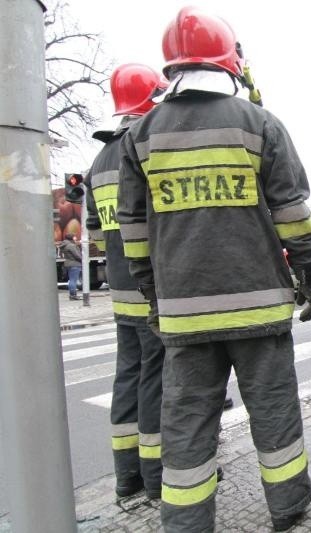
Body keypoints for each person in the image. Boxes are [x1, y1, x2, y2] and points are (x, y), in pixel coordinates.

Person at [116, 7, 311, 532]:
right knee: (274, 414)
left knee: (185, 428)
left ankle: (186, 524)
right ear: (230, 62)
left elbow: (133, 231)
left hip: (184, 319)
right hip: (258, 310)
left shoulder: (141, 136)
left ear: (172, 66)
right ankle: (288, 507)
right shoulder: (260, 124)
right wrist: (308, 276)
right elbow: (292, 215)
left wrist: (154, 297)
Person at [85, 63, 169, 499]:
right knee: (157, 381)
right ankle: (157, 478)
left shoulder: (97, 161)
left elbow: (97, 234)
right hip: (152, 291)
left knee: (128, 378)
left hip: (119, 291)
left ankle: (126, 477)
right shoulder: (143, 147)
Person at [61, 233, 82, 300]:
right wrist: (83, 260)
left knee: (71, 280)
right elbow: (76, 255)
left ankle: (72, 295)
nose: (75, 238)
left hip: (69, 263)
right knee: (73, 280)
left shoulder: (65, 245)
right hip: (75, 264)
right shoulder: (71, 246)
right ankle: (73, 295)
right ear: (71, 238)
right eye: (74, 237)